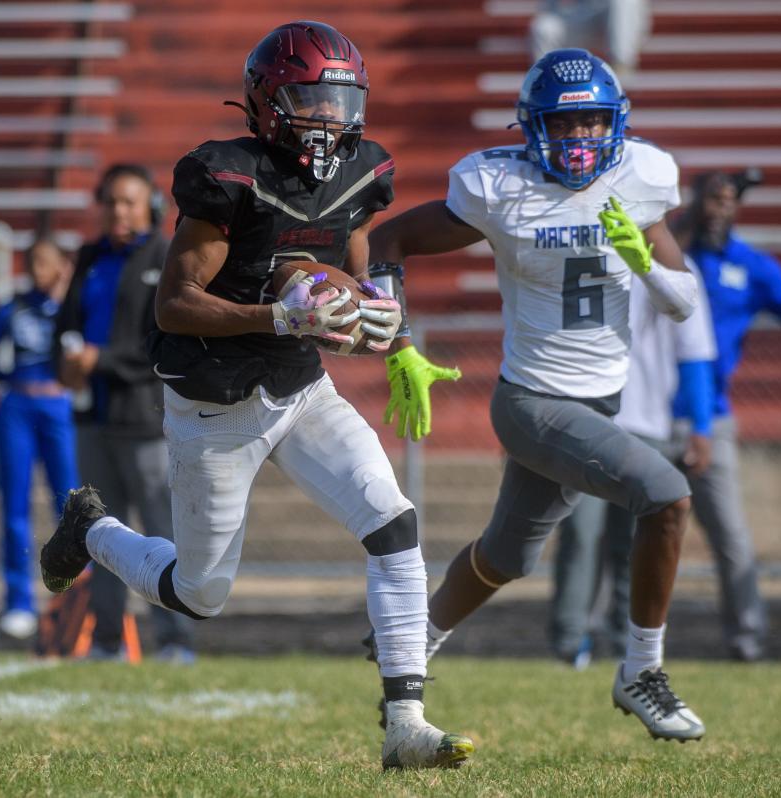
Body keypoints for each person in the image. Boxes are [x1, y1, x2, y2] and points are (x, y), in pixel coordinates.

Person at [40, 21, 473, 769]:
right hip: (216, 405)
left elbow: (358, 253)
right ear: (269, 100)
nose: (328, 116)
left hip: (301, 388)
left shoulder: (364, 168)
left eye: (340, 98)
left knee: (394, 523)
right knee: (200, 593)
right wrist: (276, 314)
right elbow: (174, 303)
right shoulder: (227, 175)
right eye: (310, 97)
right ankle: (92, 531)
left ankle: (405, 722)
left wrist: (391, 329)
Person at [366, 48, 705, 742]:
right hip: (532, 403)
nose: (580, 139)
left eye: (591, 123)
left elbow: (684, 303)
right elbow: (388, 238)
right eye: (564, 123)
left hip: (600, 402)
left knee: (506, 556)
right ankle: (640, 669)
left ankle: (411, 643)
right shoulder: (500, 185)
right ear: (533, 126)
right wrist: (399, 343)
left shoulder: (642, 177)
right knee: (666, 496)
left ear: (615, 124)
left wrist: (646, 266)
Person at [669, 170, 781, 662]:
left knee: (731, 540)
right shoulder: (666, 251)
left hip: (711, 420)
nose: (719, 209)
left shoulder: (751, 266)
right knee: (622, 537)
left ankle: (747, 642)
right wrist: (689, 220)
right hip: (644, 417)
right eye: (710, 199)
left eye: (728, 201)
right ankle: (608, 641)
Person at [52, 163, 196, 663]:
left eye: (129, 201)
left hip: (146, 419)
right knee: (99, 532)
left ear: (151, 207)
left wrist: (101, 360)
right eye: (111, 201)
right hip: (93, 418)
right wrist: (67, 365)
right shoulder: (90, 257)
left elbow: (163, 342)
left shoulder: (165, 255)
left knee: (160, 532)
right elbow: (65, 328)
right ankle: (108, 640)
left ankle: (175, 640)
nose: (119, 211)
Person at [549, 261, 717, 666]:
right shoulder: (579, 248)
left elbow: (693, 351)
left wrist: (702, 425)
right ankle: (570, 642)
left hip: (647, 425)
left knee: (636, 541)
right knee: (580, 532)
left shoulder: (675, 264)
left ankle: (630, 644)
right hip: (585, 421)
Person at [0, 237, 79, 639]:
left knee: (69, 505)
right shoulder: (12, 308)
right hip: (18, 409)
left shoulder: (73, 310)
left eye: (44, 262)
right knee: (15, 507)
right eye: (31, 262)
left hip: (59, 409)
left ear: (61, 266)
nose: (35, 269)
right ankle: (17, 599)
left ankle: (69, 597)